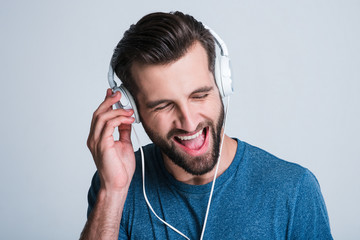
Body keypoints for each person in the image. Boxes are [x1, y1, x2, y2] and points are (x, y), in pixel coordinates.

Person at [80, 11, 332, 239]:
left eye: (199, 95)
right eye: (163, 105)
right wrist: (112, 193)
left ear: (222, 85)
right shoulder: (117, 185)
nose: (189, 122)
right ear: (132, 111)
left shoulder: (294, 189)